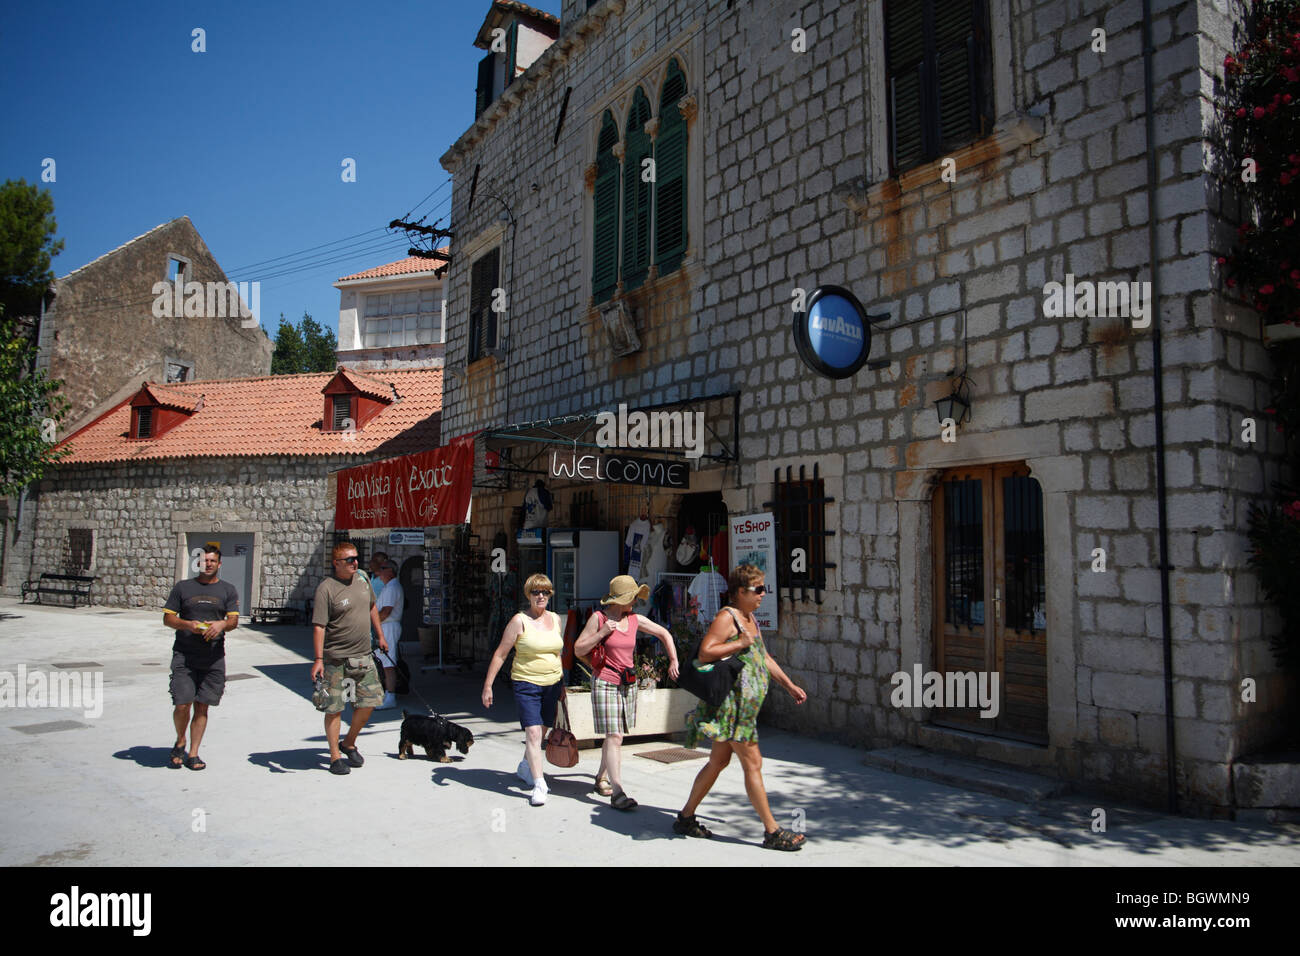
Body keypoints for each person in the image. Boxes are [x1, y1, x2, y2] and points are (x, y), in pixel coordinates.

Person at [673, 564, 809, 850]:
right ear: (738, 592)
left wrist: (789, 685)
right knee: (753, 763)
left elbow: (763, 657)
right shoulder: (727, 617)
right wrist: (739, 644)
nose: (762, 594)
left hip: (744, 709)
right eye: (757, 589)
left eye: (764, 588)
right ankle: (772, 831)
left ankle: (685, 817)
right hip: (732, 710)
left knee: (718, 762)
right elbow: (706, 651)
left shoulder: (750, 618)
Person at [574, 575, 680, 809]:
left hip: (627, 683)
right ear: (620, 599)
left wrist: (673, 660)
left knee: (615, 736)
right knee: (614, 736)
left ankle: (601, 777)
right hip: (604, 682)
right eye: (632, 597)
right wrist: (601, 634)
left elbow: (664, 634)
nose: (635, 602)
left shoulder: (635, 619)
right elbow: (578, 648)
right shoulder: (598, 618)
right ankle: (618, 791)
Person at [481, 573, 562, 806]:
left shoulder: (556, 619)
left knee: (543, 730)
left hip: (552, 683)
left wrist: (562, 684)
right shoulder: (519, 620)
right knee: (534, 733)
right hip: (526, 683)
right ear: (528, 595)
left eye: (545, 592)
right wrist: (488, 686)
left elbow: (557, 652)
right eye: (536, 592)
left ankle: (526, 766)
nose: (541, 596)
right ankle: (539, 784)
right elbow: (501, 654)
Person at [310, 542, 388, 775]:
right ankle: (335, 756)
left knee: (370, 702)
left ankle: (349, 742)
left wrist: (380, 635)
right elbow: (319, 627)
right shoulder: (327, 588)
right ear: (336, 563)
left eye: (356, 558)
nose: (355, 563)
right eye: (349, 560)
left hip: (363, 655)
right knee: (334, 708)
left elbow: (372, 607)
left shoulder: (363, 578)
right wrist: (318, 659)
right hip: (336, 659)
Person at [162, 545, 240, 771]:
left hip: (213, 658)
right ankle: (180, 740)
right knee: (182, 703)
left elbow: (234, 621)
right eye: (204, 561)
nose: (208, 564)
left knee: (202, 707)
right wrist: (189, 625)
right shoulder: (183, 588)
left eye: (212, 561)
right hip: (185, 655)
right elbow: (167, 618)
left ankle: (193, 753)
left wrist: (222, 624)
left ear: (219, 564)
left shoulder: (228, 590)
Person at [374, 561, 403, 710]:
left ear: (390, 571)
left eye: (382, 568)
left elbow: (386, 611)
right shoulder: (389, 587)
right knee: (383, 661)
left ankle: (391, 695)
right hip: (385, 626)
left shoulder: (392, 587)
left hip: (389, 627)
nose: (379, 571)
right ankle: (386, 693)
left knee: (388, 663)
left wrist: (372, 622)